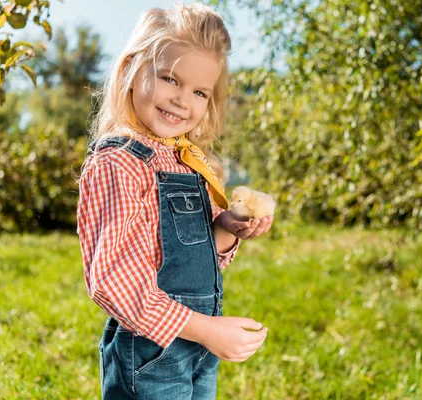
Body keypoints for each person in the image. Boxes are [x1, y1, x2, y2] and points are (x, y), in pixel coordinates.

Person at [76, 3, 274, 399]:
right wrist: (206, 329)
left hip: (197, 347)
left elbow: (180, 254)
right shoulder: (120, 162)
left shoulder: (186, 160)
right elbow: (112, 281)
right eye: (170, 79)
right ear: (132, 70)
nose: (183, 100)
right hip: (151, 352)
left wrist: (225, 229)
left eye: (199, 91)